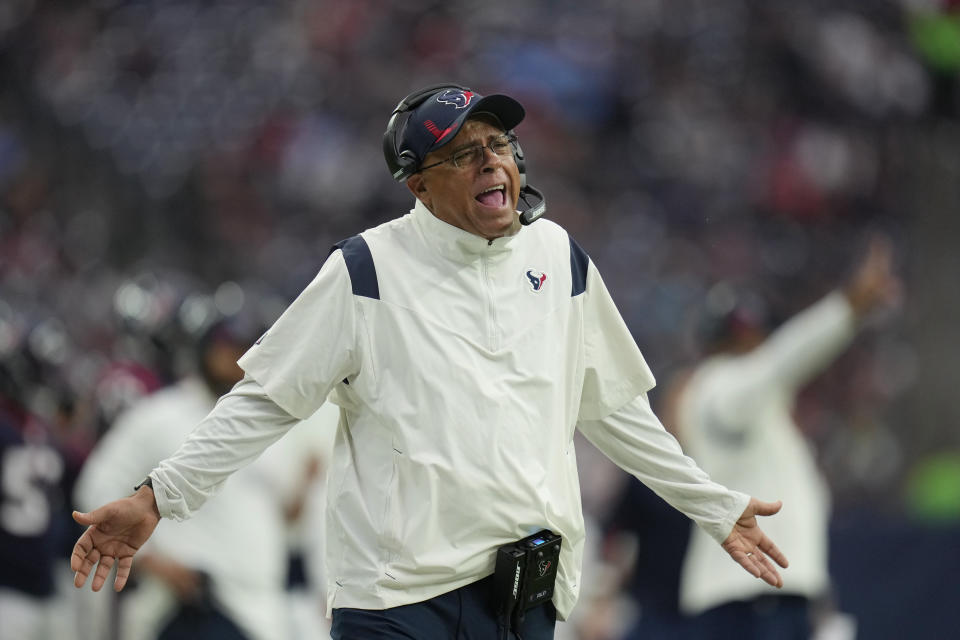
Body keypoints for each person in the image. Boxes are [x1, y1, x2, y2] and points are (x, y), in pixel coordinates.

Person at [70, 83, 789, 640]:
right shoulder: (365, 269)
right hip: (394, 602)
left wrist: (714, 505)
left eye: (499, 142)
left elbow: (617, 414)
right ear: (418, 184)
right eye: (463, 152)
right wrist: (158, 498)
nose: (491, 160)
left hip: (521, 597)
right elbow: (266, 402)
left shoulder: (559, 257)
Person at [673, 237, 900, 639]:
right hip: (748, 602)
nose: (756, 344)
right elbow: (779, 365)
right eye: (747, 335)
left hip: (760, 597)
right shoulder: (718, 389)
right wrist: (847, 308)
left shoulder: (759, 419)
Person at [74, 315, 332, 640]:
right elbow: (97, 487)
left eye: (246, 347)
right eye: (227, 347)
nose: (236, 358)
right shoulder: (160, 415)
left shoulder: (273, 423)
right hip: (191, 601)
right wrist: (150, 559)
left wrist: (306, 485)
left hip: (262, 604)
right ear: (204, 349)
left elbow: (286, 520)